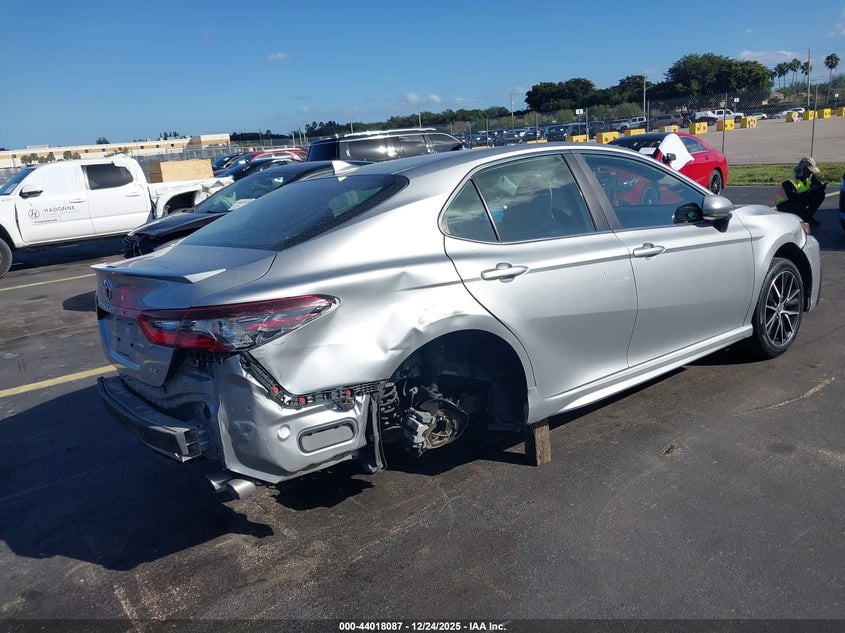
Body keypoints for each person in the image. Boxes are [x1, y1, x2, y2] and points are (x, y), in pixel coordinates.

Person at [775, 156, 826, 225]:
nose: (811, 174)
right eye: (810, 171)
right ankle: (799, 219)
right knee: (800, 204)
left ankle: (807, 217)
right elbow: (794, 199)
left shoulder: (809, 176)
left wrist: (819, 188)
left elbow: (816, 185)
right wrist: (809, 191)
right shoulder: (789, 180)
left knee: (820, 194)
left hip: (799, 199)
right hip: (784, 205)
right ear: (803, 169)